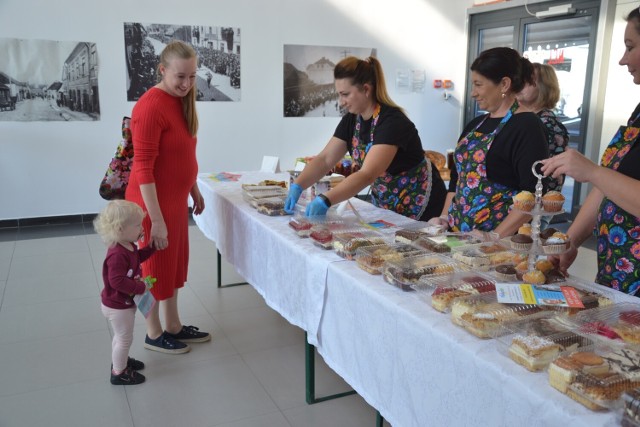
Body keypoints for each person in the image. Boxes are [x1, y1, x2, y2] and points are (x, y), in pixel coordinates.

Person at [541, 8, 640, 296]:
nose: (623, 60)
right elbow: (608, 185)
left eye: (630, 47)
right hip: (617, 271)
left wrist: (593, 171)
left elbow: (601, 178)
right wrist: (570, 240)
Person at [284, 56, 447, 221]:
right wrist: (298, 185)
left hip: (420, 203)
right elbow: (325, 159)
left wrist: (326, 199)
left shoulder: (392, 122)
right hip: (387, 200)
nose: (341, 102)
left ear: (366, 89)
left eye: (345, 94)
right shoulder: (352, 120)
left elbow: (367, 174)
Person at [126, 40, 210, 354]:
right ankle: (152, 332)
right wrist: (156, 220)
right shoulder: (150, 106)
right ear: (162, 70)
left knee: (171, 270)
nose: (187, 84)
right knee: (150, 274)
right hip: (151, 207)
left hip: (174, 203)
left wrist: (194, 188)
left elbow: (181, 155)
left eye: (192, 76)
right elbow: (144, 168)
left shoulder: (182, 101)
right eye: (180, 77)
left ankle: (173, 325)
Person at [429, 47, 549, 238]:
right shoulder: (475, 124)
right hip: (458, 236)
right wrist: (444, 218)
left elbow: (532, 196)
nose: (473, 93)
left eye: (478, 85)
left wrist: (493, 237)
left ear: (504, 84)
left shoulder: (527, 126)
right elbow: (456, 181)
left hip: (498, 243)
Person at [94, 200, 156, 385]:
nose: (141, 228)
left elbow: (136, 258)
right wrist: (140, 288)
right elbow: (116, 281)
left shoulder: (127, 245)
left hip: (121, 304)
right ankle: (119, 372)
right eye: (137, 225)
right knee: (124, 338)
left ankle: (120, 360)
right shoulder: (117, 254)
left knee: (120, 337)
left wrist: (151, 247)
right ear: (120, 229)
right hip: (118, 306)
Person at [516, 62, 569, 193]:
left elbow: (547, 176)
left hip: (534, 203)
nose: (520, 84)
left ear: (543, 87)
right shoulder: (522, 117)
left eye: (528, 80)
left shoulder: (547, 123)